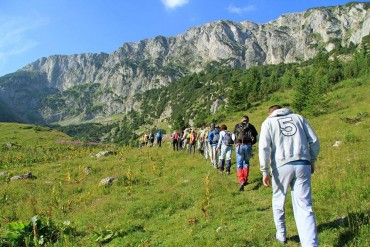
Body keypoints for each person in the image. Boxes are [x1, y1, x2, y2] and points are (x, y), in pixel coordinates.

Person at [259, 105, 320, 246]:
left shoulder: (268, 122)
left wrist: (265, 171)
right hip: (303, 163)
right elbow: (314, 140)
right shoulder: (298, 118)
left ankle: (281, 235)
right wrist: (312, 159)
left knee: (278, 200)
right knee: (304, 205)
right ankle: (310, 244)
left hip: (281, 166)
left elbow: (264, 148)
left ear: (271, 112)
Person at [233, 116, 258, 191]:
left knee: (239, 163)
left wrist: (236, 143)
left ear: (241, 120)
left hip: (239, 145)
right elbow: (257, 137)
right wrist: (252, 143)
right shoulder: (251, 126)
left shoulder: (237, 126)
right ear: (248, 120)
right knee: (246, 162)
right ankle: (245, 179)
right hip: (248, 145)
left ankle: (241, 180)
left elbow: (233, 137)